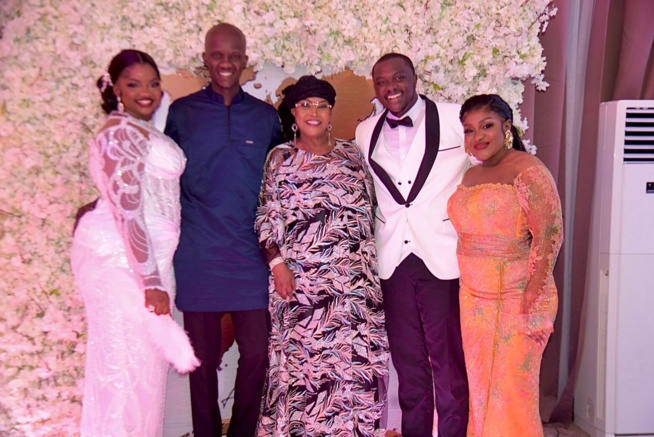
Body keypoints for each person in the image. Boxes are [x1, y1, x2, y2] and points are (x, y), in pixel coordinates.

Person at [71, 49, 199, 436]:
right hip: (126, 265)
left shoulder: (141, 127)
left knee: (144, 373)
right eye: (134, 84)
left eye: (153, 83)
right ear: (116, 89)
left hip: (152, 260)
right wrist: (151, 281)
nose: (146, 92)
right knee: (122, 373)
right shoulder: (118, 132)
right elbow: (128, 212)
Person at [164, 23, 282, 437]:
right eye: (217, 55)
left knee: (257, 354)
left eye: (234, 55)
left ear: (245, 60)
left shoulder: (265, 117)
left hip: (250, 256)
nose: (226, 63)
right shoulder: (182, 113)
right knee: (201, 361)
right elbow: (163, 179)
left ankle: (243, 431)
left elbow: (278, 185)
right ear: (206, 59)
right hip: (199, 254)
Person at [255, 75, 389, 436]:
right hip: (302, 287)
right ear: (293, 112)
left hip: (352, 288)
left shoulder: (352, 154)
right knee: (306, 373)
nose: (313, 112)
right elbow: (266, 217)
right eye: (305, 105)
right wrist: (277, 265)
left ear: (331, 112)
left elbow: (371, 213)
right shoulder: (281, 158)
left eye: (321, 105)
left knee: (351, 369)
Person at [355, 53, 470, 437]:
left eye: (399, 77)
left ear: (415, 78)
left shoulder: (454, 118)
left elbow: (489, 163)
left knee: (448, 364)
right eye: (381, 81)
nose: (391, 87)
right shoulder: (364, 132)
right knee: (408, 365)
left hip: (441, 254)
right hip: (392, 258)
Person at [447, 94, 563, 436]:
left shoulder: (527, 169)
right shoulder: (471, 175)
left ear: (506, 127)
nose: (478, 136)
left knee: (511, 390)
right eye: (469, 130)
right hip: (473, 300)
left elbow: (549, 234)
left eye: (487, 126)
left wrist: (532, 296)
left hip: (517, 297)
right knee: (481, 387)